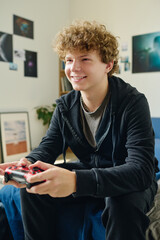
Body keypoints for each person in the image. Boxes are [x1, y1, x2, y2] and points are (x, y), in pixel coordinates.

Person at [0, 20, 159, 240]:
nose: (74, 68)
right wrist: (27, 163)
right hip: (89, 169)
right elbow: (49, 145)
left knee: (120, 203)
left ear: (108, 64)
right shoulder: (66, 106)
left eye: (85, 59)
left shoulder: (133, 103)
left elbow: (141, 170)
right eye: (69, 59)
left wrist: (75, 181)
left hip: (127, 176)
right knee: (34, 187)